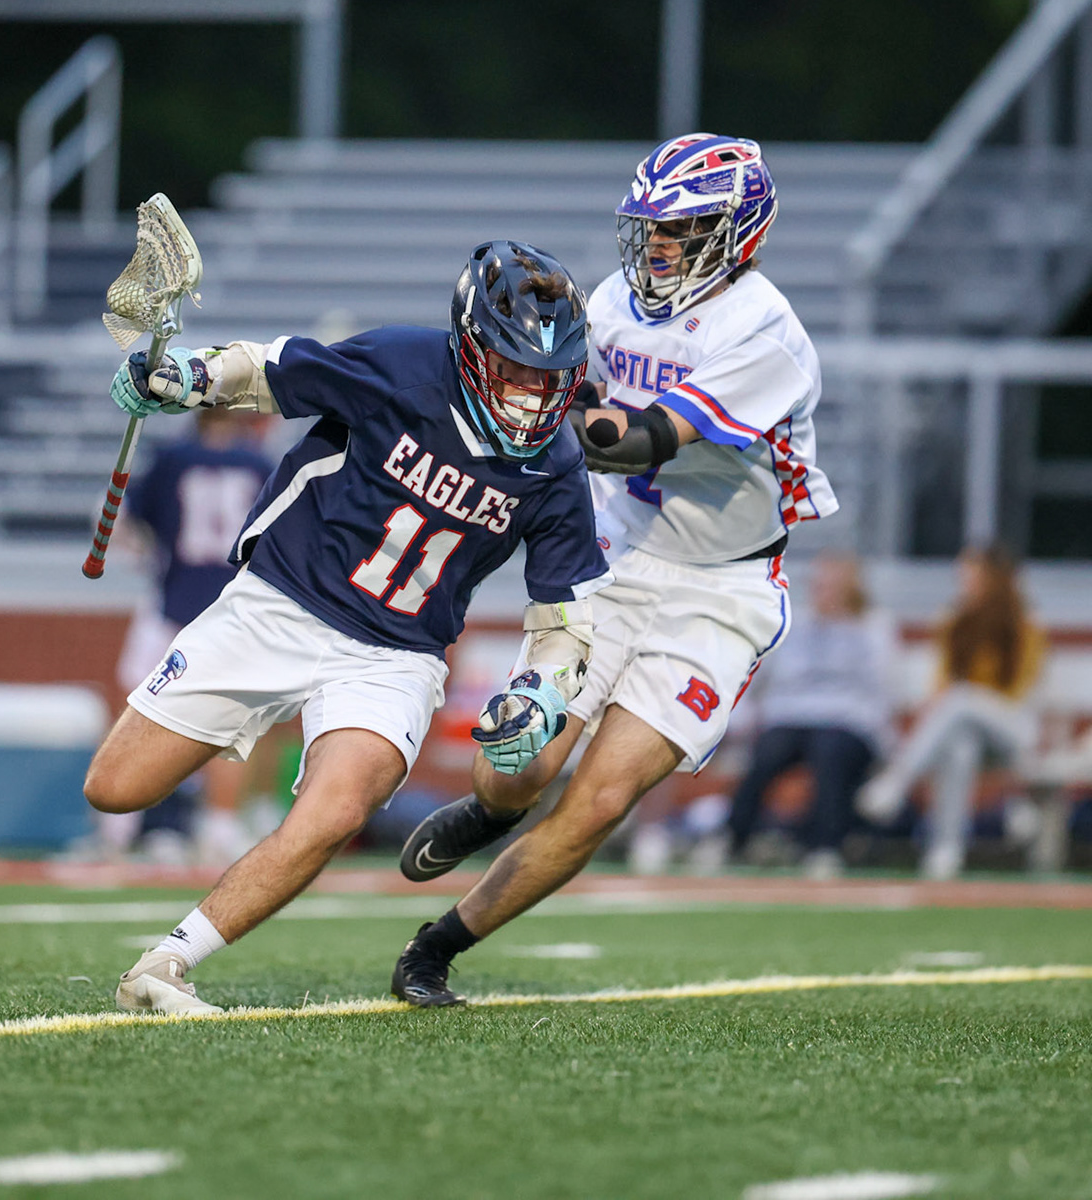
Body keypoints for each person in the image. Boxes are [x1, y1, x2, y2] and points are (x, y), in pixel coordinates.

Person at [89, 240, 610, 1015]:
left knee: (334, 811)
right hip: (282, 601)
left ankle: (166, 966)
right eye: (517, 370)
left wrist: (540, 693)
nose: (535, 396)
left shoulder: (557, 462)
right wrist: (189, 376)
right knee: (115, 789)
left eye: (550, 376)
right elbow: (269, 371)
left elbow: (565, 616)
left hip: (397, 653)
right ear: (470, 348)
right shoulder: (403, 365)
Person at [392, 134, 837, 1006]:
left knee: (600, 800)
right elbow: (579, 394)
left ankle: (435, 949)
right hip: (616, 556)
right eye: (653, 227)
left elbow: (639, 439)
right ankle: (491, 812)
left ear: (737, 230)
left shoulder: (766, 334)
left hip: (723, 588)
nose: (660, 245)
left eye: (685, 227)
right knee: (516, 765)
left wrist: (574, 413)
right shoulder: (613, 300)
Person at [110, 407, 277, 865]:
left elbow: (133, 525)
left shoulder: (172, 459)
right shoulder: (259, 465)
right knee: (234, 721)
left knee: (141, 711)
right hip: (234, 608)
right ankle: (219, 829)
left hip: (174, 604)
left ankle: (130, 826)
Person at [688, 551, 898, 880]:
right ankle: (732, 836)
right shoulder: (792, 622)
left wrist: (884, 739)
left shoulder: (874, 627)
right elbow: (760, 679)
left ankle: (826, 846)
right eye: (819, 585)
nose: (821, 592)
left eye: (830, 585)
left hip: (848, 722)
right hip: (791, 717)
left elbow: (883, 689)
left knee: (829, 751)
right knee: (771, 749)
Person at [855, 542, 1045, 881]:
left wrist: (963, 700)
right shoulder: (954, 620)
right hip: (966, 728)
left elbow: (1018, 690)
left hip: (1013, 730)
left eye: (971, 573)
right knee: (960, 747)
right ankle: (946, 850)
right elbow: (941, 682)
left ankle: (897, 781)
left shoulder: (1025, 623)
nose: (963, 580)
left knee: (961, 701)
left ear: (993, 578)